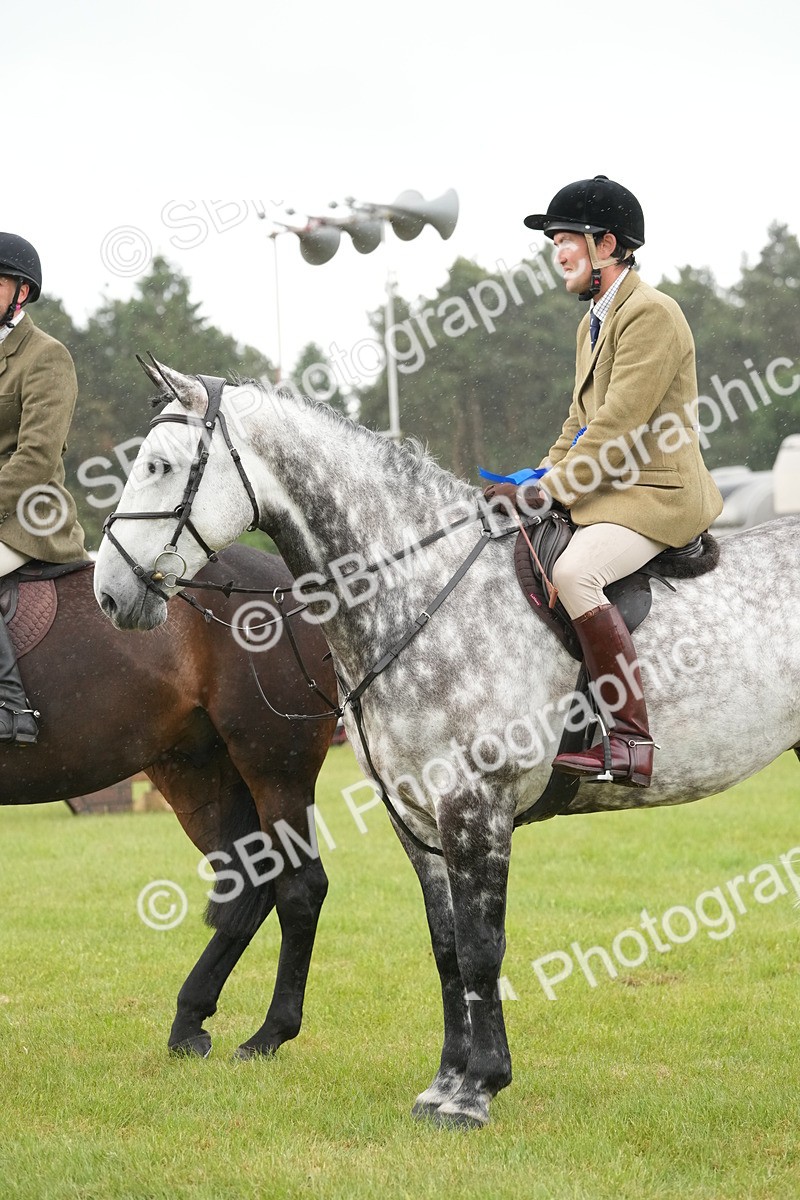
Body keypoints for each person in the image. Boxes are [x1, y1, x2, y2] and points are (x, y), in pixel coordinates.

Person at [490, 176, 722, 788]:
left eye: (565, 240)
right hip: (613, 490)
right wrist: (534, 479)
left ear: (607, 245)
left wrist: (551, 492)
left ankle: (630, 741)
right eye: (555, 243)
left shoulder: (652, 314)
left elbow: (618, 427)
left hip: (657, 495)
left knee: (574, 573)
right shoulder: (593, 322)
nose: (557, 253)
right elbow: (579, 424)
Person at [0, 232, 88, 743]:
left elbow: (35, 458)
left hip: (29, 516)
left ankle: (9, 705)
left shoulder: (45, 357)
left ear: (22, 293)